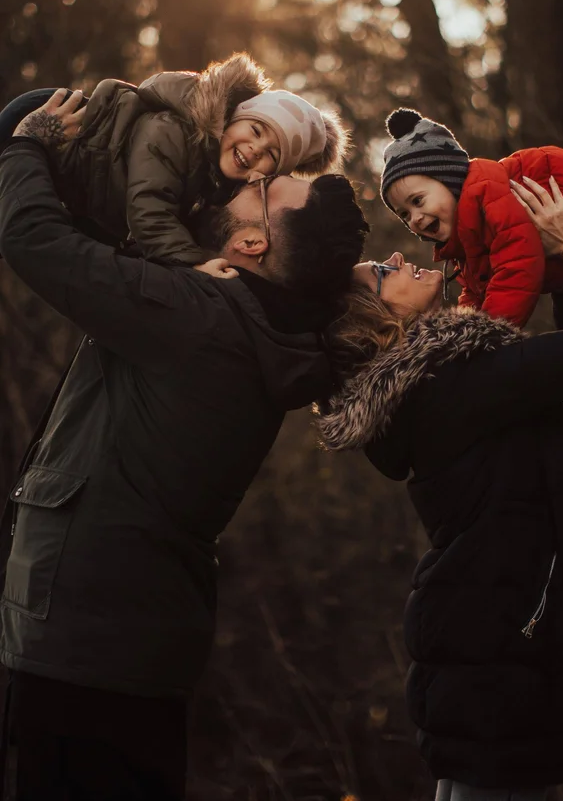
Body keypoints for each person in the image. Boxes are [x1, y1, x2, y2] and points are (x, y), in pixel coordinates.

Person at [0, 91, 368, 800]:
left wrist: (27, 145)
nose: (247, 181)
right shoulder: (269, 332)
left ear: (251, 245)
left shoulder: (201, 315)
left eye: (264, 189)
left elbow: (34, 242)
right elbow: (111, 239)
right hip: (138, 643)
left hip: (78, 638)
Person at [317, 177, 563, 800]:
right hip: (496, 633)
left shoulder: (431, 389)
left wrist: (560, 274)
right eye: (377, 272)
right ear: (377, 315)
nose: (395, 256)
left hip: (476, 627)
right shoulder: (459, 378)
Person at [0, 52, 348, 265]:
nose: (256, 149)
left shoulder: (218, 185)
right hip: (58, 130)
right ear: (229, 120)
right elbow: (148, 206)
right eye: (255, 131)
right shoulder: (175, 132)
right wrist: (193, 263)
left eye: (271, 154)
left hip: (83, 194)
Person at [379, 107, 563, 335]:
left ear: (450, 181)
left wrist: (485, 335)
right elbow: (477, 291)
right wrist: (462, 329)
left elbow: (518, 267)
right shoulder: (468, 240)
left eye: (418, 201)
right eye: (404, 214)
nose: (414, 218)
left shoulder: (488, 194)